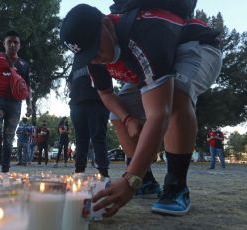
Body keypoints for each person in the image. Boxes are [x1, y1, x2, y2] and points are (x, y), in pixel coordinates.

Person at [60, 4, 222, 217]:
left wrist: (129, 180)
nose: (96, 59)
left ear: (107, 24)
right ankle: (146, 179)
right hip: (157, 62)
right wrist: (128, 119)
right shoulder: (91, 55)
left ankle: (176, 186)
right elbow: (107, 95)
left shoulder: (144, 33)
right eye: (88, 55)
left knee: (176, 98)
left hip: (197, 45)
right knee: (117, 113)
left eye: (96, 49)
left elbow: (159, 114)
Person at [0, 30, 32, 173]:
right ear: (4, 44)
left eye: (15, 42)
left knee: (9, 137)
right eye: (9, 42)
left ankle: (6, 170)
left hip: (15, 103)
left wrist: (29, 104)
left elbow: (27, 86)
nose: (12, 44)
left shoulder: (24, 64)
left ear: (20, 45)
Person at [68, 67, 110, 177]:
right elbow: (69, 82)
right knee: (84, 139)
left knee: (95, 138)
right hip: (80, 103)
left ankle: (102, 172)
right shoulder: (77, 62)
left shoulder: (100, 59)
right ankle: (80, 171)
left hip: (95, 102)